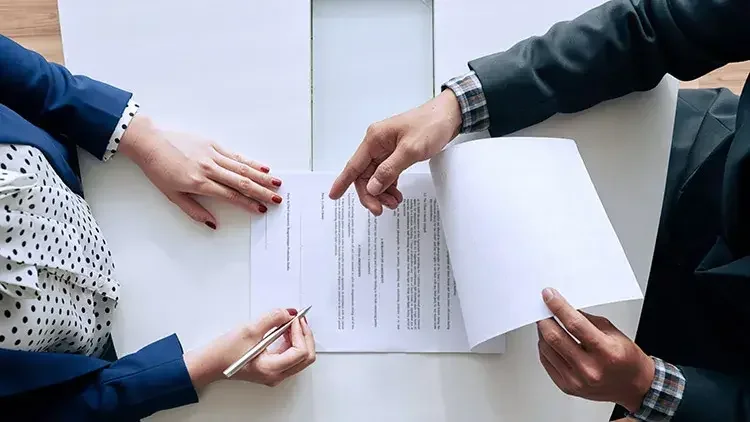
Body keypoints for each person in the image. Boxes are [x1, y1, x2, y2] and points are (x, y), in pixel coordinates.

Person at [330, 0, 750, 420]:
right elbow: (653, 25)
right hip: (673, 158)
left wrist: (648, 387)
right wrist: (458, 104)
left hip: (694, 356)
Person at [0, 34, 316, 420]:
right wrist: (200, 369)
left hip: (88, 173)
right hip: (95, 358)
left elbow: (17, 73)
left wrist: (139, 138)